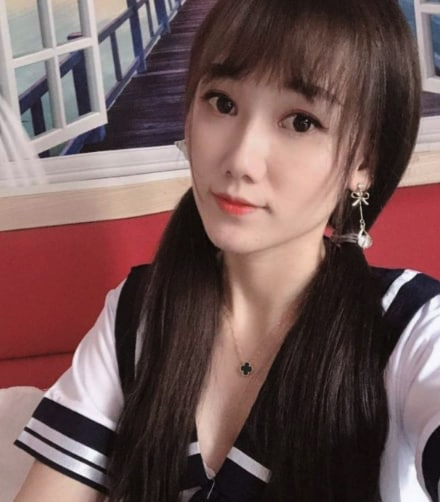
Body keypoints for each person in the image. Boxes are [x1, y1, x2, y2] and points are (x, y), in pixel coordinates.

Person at [13, 0, 440, 500]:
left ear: (364, 162)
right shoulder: (139, 312)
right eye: (221, 103)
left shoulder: (408, 326)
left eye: (301, 122)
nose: (240, 159)